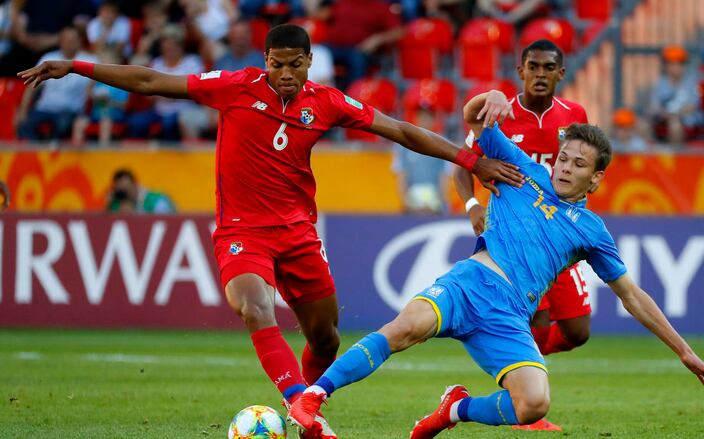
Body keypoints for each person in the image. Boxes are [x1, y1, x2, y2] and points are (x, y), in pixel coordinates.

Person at [18, 23, 523, 439]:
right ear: (265, 60)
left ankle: (307, 406)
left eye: (293, 64)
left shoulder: (327, 102)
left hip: (299, 233)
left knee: (325, 338)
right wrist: (76, 66)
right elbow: (151, 81)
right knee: (252, 306)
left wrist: (470, 161)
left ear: (309, 64)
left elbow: (401, 130)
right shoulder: (235, 87)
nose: (283, 73)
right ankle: (300, 404)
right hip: (242, 229)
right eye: (275, 63)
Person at [287, 93, 704, 439]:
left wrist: (684, 350)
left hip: (509, 316)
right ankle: (312, 397)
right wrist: (492, 95)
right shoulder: (522, 171)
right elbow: (474, 120)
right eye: (563, 158)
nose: (564, 168)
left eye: (578, 164)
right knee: (402, 329)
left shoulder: (591, 231)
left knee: (534, 404)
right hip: (468, 284)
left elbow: (632, 296)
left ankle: (454, 408)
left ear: (595, 178)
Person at [453, 40, 589, 430]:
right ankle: (523, 402)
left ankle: (515, 372)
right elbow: (461, 166)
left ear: (561, 73)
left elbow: (583, 165)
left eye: (549, 68)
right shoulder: (500, 114)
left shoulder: (575, 115)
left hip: (559, 240)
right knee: (538, 322)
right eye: (533, 67)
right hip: (514, 240)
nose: (541, 74)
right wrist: (471, 206)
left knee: (578, 332)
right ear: (521, 71)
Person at [14, 26, 97, 141]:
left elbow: (94, 89)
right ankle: (37, 153)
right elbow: (31, 87)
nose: (70, 43)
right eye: (67, 40)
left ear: (80, 41)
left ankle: (52, 151)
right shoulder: (48, 58)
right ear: (61, 41)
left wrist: (86, 115)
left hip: (70, 111)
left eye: (73, 39)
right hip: (44, 108)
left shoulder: (90, 61)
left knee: (63, 124)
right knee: (24, 124)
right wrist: (23, 110)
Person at [648, 45, 704, 147]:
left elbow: (692, 107)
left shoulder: (691, 82)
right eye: (672, 63)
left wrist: (674, 114)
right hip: (664, 119)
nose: (676, 67)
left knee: (674, 124)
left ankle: (674, 159)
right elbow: (654, 107)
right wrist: (663, 113)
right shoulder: (660, 83)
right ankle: (650, 159)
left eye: (679, 64)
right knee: (643, 125)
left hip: (687, 121)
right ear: (666, 66)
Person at [106, 168, 176, 214]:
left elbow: (167, 221)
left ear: (135, 185)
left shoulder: (156, 200)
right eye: (121, 190)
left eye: (126, 188)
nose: (124, 191)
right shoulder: (115, 202)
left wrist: (135, 214)